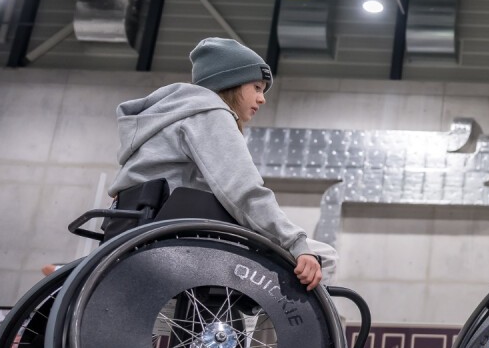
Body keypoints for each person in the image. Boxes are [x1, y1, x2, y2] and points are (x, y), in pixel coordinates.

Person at [108, 37, 336, 289]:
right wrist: (295, 242)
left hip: (138, 229)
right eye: (257, 88)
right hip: (180, 235)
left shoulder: (170, 115)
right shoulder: (209, 113)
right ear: (231, 83)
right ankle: (261, 329)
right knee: (322, 256)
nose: (262, 99)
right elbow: (242, 191)